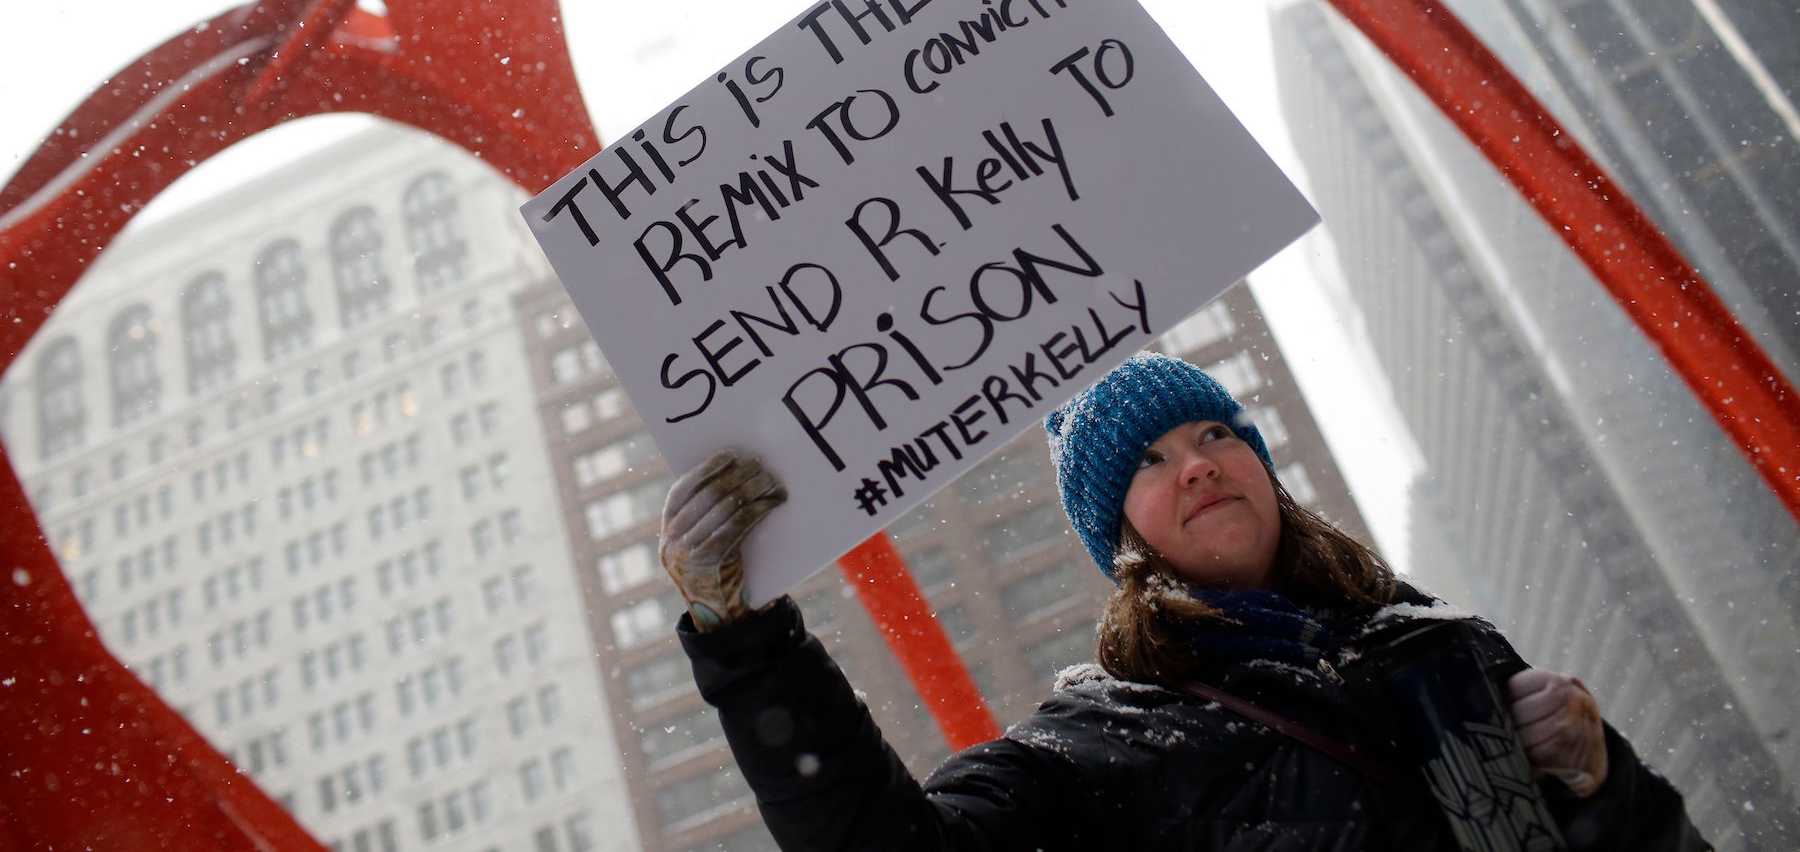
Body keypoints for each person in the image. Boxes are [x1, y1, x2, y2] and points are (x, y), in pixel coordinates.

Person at [659, 351, 1708, 850]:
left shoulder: (1443, 648)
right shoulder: (1094, 748)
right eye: (1151, 461)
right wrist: (745, 642)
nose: (1199, 464)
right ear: (1120, 539)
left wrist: (1601, 779)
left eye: (1215, 435)